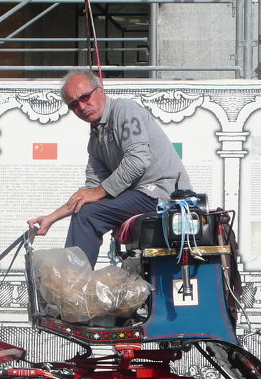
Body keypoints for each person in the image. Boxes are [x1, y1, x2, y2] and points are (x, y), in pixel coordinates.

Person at [27, 70, 191, 265]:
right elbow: (88, 193)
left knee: (88, 216)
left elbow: (138, 160)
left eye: (85, 97)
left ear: (100, 91)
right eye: (74, 105)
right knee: (85, 210)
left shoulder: (125, 110)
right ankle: (73, 282)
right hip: (139, 195)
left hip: (163, 193)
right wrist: (51, 218)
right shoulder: (95, 137)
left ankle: (74, 286)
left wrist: (99, 191)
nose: (81, 106)